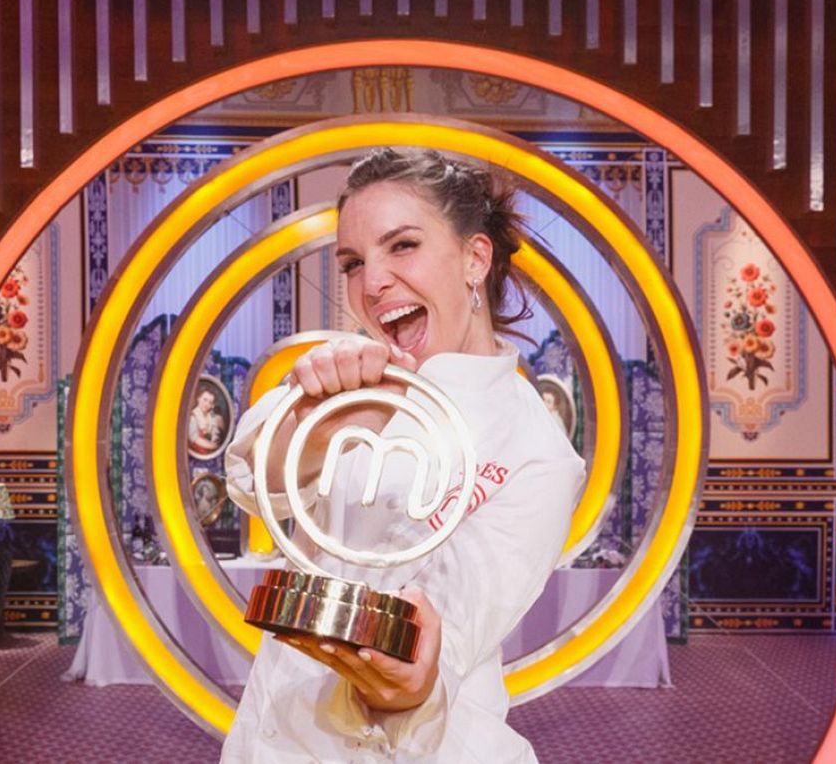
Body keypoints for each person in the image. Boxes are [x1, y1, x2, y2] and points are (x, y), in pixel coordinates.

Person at [221, 148, 585, 762]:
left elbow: (455, 631)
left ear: (475, 258)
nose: (372, 282)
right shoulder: (345, 374)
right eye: (353, 262)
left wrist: (406, 685)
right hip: (271, 735)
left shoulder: (537, 453)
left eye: (403, 246)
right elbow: (248, 479)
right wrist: (320, 421)